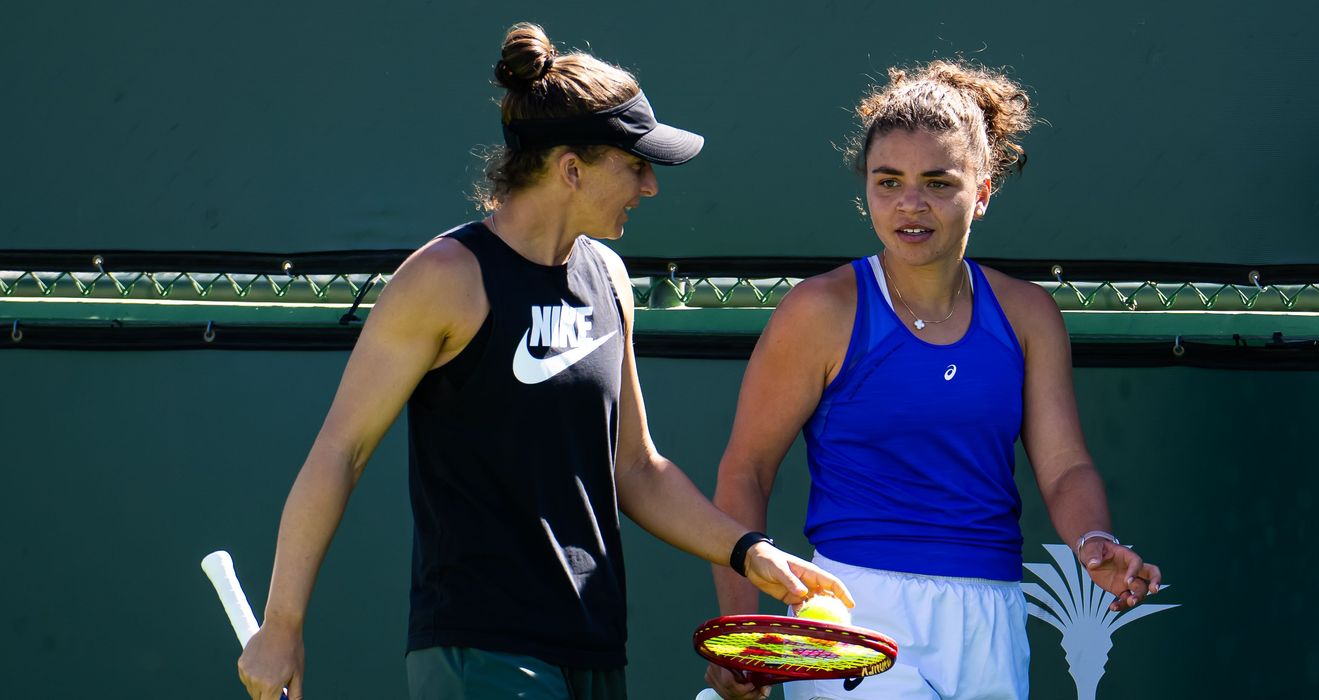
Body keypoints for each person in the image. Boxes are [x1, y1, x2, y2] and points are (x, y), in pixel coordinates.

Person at [234, 22, 852, 700]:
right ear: (571, 168)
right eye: (636, 165)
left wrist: (748, 551)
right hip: (480, 650)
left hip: (594, 644)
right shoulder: (445, 278)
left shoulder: (608, 277)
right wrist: (282, 624)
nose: (649, 186)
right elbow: (340, 451)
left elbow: (636, 468)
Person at [706, 60, 1162, 700]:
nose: (910, 204)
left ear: (982, 190)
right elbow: (745, 471)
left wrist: (1094, 540)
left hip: (992, 618)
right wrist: (741, 632)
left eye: (938, 183)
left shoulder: (1028, 315)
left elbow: (1065, 468)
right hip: (849, 610)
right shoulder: (820, 311)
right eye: (888, 182)